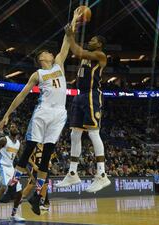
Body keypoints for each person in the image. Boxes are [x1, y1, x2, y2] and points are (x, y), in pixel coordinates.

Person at [0, 12, 80, 215]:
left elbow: (66, 41)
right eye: (46, 53)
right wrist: (7, 114)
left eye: (50, 53)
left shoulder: (59, 63)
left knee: (47, 154)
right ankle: (12, 186)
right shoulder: (38, 74)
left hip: (60, 113)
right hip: (43, 111)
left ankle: (39, 196)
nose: (49, 54)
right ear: (42, 58)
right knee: (29, 149)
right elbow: (22, 95)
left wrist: (73, 23)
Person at [55, 22, 111, 193]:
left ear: (100, 44)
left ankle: (102, 174)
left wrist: (71, 35)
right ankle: (72, 172)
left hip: (92, 95)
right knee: (74, 133)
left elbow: (77, 51)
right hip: (80, 95)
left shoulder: (100, 55)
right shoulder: (87, 56)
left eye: (94, 40)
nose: (91, 41)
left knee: (93, 132)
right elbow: (78, 51)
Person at [22, 144, 55, 211]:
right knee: (29, 187)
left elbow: (49, 158)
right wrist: (33, 165)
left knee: (45, 186)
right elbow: (28, 158)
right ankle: (19, 200)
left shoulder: (47, 147)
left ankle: (41, 204)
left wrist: (50, 163)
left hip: (45, 170)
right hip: (36, 170)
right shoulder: (35, 147)